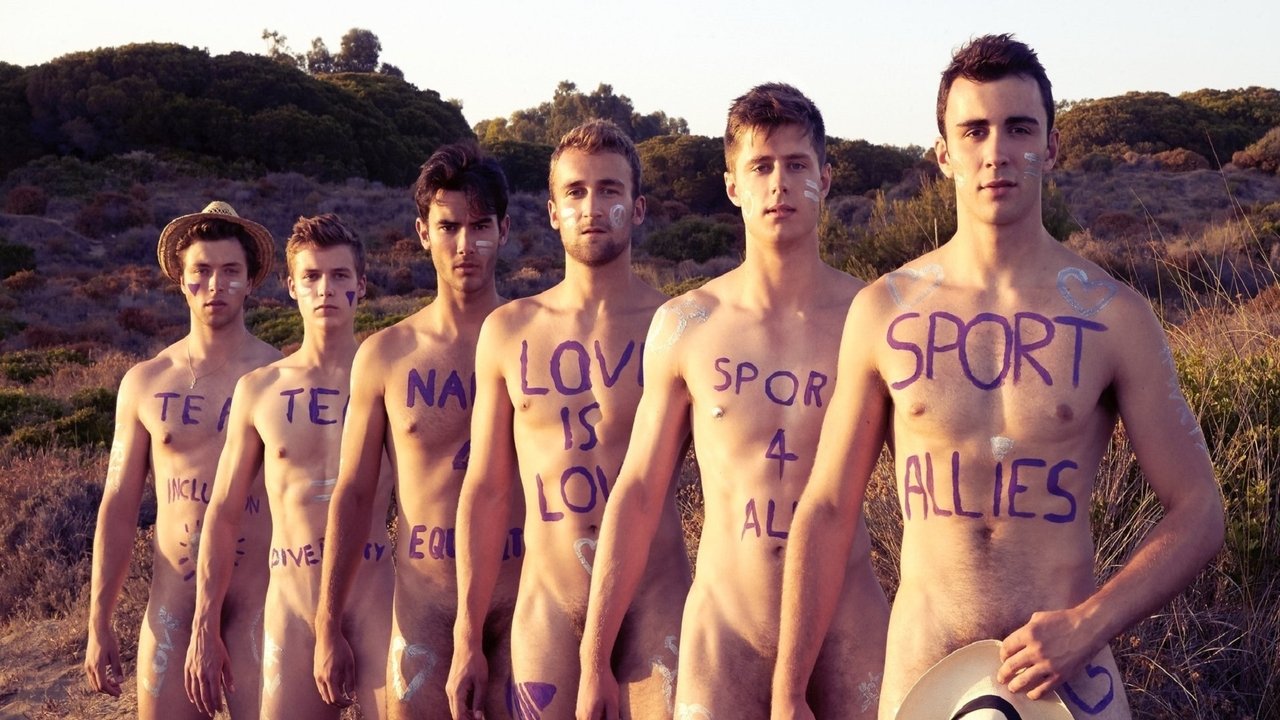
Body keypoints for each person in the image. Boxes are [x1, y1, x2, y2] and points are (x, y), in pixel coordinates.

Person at [771, 34, 1225, 720]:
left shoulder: (1113, 317)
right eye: (974, 130)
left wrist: (1090, 624)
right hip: (925, 674)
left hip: (1069, 680)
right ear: (944, 152)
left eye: (1019, 128)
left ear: (1053, 144)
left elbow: (1201, 511)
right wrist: (788, 690)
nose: (996, 152)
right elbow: (828, 508)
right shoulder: (884, 311)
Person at [576, 84, 889, 719]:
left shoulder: (874, 317)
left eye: (796, 165)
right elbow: (637, 493)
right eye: (761, 166)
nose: (779, 184)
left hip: (850, 623)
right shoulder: (688, 325)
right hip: (726, 626)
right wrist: (593, 657)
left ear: (825, 180)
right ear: (732, 186)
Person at [448, 119, 692, 720]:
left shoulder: (681, 327)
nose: (592, 206)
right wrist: (466, 636)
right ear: (553, 211)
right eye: (576, 192)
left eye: (609, 190)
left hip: (657, 600)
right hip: (549, 606)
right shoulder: (508, 331)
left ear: (637, 209)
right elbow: (484, 489)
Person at [313, 141, 523, 720]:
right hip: (424, 612)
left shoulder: (536, 341)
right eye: (448, 226)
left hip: (527, 605)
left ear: (504, 230)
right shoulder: (387, 356)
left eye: (480, 226)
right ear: (423, 232)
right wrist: (327, 623)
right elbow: (354, 494)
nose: (465, 244)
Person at [183, 214, 392, 718]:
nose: (326, 289)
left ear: (361, 285)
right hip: (291, 603)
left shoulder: (389, 380)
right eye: (312, 277)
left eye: (340, 276)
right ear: (292, 287)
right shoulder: (260, 390)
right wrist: (204, 622)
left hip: (376, 598)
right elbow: (223, 512)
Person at [84, 201, 281, 719]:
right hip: (173, 604)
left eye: (231, 271)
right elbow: (119, 508)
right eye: (201, 271)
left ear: (251, 281)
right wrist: (98, 620)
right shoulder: (147, 383)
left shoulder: (281, 376)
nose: (216, 284)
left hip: (260, 604)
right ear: (181, 279)